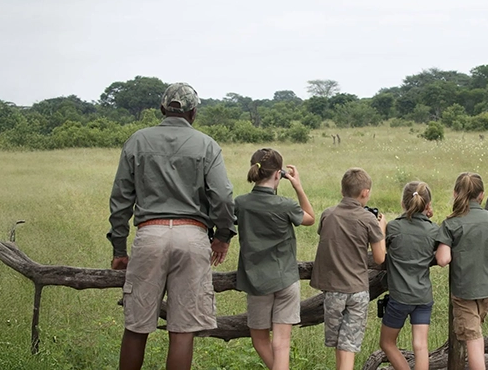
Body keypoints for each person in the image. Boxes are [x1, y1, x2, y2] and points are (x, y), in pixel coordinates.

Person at [106, 82, 236, 370]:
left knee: (137, 325)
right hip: (193, 235)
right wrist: (224, 236)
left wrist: (119, 248)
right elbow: (223, 197)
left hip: (149, 234)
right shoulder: (207, 144)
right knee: (182, 329)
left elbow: (120, 199)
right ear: (193, 113)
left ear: (163, 109)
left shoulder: (137, 140)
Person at [235, 148, 316, 370]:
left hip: (256, 281)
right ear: (278, 174)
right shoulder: (285, 205)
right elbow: (310, 219)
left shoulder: (241, 203)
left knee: (260, 340)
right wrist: (298, 186)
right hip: (285, 278)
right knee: (282, 344)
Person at [310, 167, 387, 370]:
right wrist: (381, 230)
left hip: (333, 290)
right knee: (348, 346)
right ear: (365, 193)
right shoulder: (368, 219)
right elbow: (379, 258)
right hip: (357, 290)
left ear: (342, 190)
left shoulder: (328, 214)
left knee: (339, 345)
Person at [434, 172, 488, 370]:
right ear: (482, 195)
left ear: (456, 193)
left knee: (473, 340)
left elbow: (442, 260)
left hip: (465, 290)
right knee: (476, 334)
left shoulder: (451, 223)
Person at [379, 181, 439, 370]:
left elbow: (380, 254)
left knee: (387, 343)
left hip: (400, 298)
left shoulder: (394, 228)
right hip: (423, 297)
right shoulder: (433, 230)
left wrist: (381, 227)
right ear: (427, 205)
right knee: (421, 346)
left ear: (403, 203)